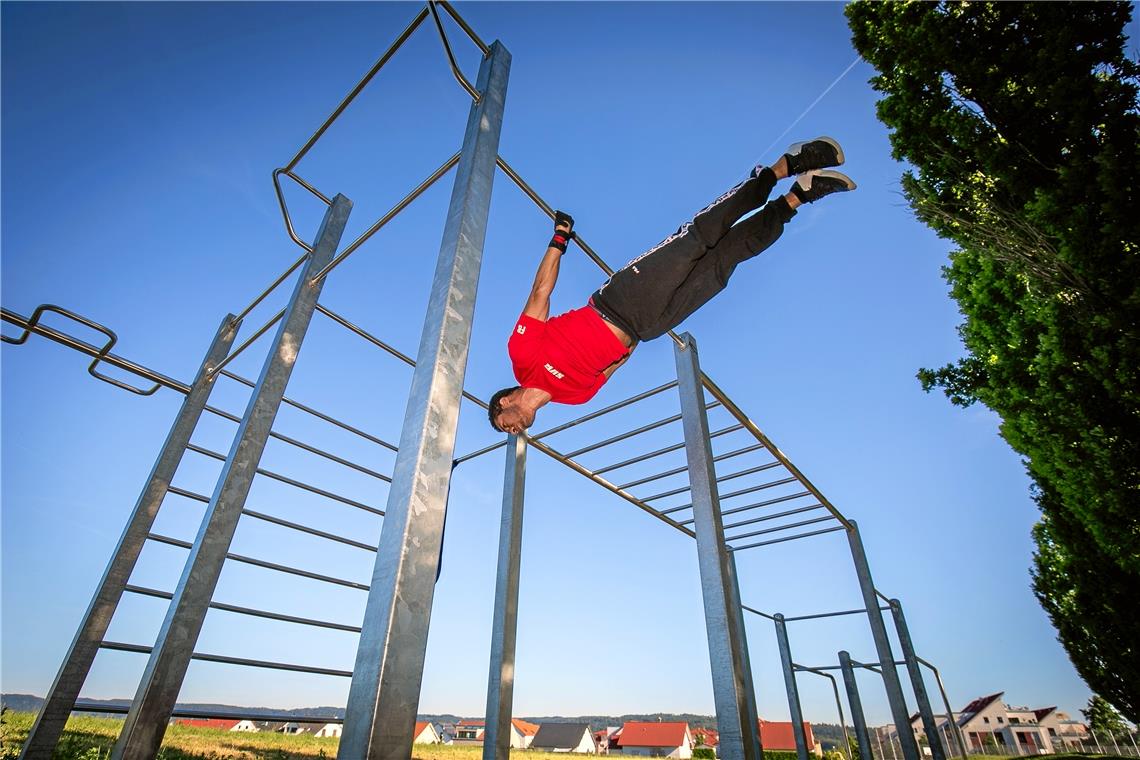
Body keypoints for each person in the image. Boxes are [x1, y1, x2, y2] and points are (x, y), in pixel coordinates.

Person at [489, 137, 855, 435]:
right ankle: (798, 197)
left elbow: (540, 294)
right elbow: (615, 365)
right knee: (721, 266)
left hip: (620, 301)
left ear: (505, 402)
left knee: (698, 239)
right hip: (648, 326)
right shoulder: (574, 398)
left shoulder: (523, 356)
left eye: (504, 426)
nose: (514, 431)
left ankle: (783, 167)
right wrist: (639, 336)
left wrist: (559, 239)